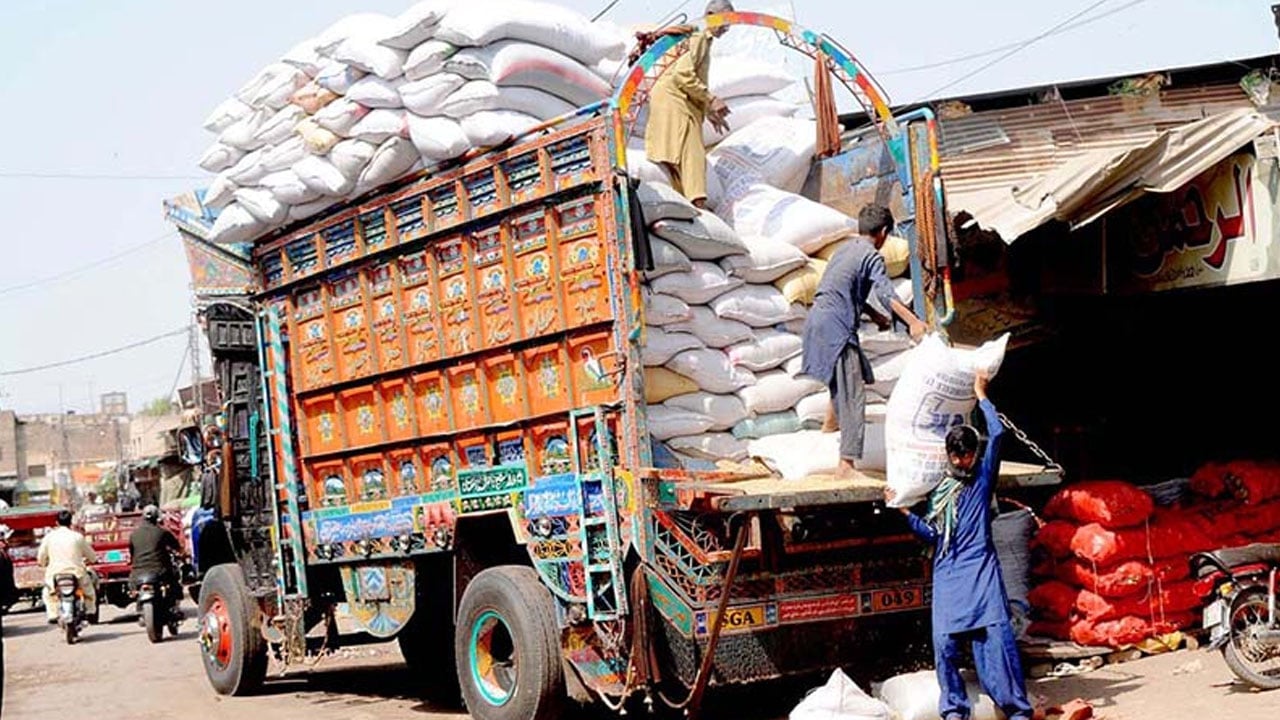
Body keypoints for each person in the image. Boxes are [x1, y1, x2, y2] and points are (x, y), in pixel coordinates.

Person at [887, 373, 1034, 720]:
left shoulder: (982, 480)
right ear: (949, 455)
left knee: (996, 645)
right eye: (956, 455)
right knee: (945, 646)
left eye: (967, 455)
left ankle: (1015, 710)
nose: (962, 461)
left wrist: (981, 394)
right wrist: (905, 510)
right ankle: (954, 711)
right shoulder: (939, 494)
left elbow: (997, 434)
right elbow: (933, 535)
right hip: (949, 575)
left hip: (981, 573)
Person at [801, 204, 926, 477]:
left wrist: (876, 316)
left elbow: (842, 287)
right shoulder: (872, 256)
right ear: (883, 233)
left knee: (842, 381)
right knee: (853, 391)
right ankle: (846, 464)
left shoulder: (843, 250)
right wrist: (914, 322)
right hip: (837, 326)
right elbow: (887, 294)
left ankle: (828, 430)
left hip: (816, 321)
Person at [643, 0, 735, 208]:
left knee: (677, 159)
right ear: (711, 14)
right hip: (676, 100)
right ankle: (698, 205)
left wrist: (708, 110)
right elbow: (682, 75)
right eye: (725, 22)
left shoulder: (698, 38)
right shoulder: (700, 36)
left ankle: (685, 205)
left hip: (670, 99)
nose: (726, 29)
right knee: (693, 157)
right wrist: (711, 99)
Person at [36, 509, 98, 625]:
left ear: (57, 523)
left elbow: (41, 558)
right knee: (89, 591)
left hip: (54, 574)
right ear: (70, 523)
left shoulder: (49, 538)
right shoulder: (77, 537)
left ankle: (53, 614)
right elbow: (92, 556)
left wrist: (42, 563)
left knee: (47, 593)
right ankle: (90, 611)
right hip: (77, 573)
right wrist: (93, 560)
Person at [128, 505, 183, 621]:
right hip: (160, 571)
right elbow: (178, 547)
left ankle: (140, 607)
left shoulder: (134, 535)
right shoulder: (162, 532)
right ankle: (174, 608)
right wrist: (182, 553)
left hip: (138, 573)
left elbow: (132, 554)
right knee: (174, 583)